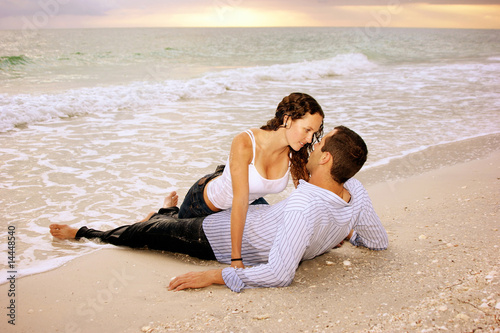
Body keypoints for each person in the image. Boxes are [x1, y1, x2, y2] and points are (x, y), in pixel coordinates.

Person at [50, 126, 388, 293]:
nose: (313, 145)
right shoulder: (353, 190)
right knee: (224, 175)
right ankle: (165, 213)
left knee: (140, 235)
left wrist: (214, 276)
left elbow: (279, 275)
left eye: (320, 142)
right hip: (257, 215)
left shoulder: (304, 205)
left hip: (214, 236)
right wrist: (344, 233)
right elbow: (377, 240)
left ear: (326, 159)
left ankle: (83, 231)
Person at [177, 92, 324, 269]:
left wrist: (335, 232)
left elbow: (307, 195)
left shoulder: (296, 151)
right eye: (307, 130)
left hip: (248, 199)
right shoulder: (246, 142)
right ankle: (164, 210)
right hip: (203, 203)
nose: (309, 139)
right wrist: (236, 259)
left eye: (314, 132)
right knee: (169, 226)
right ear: (287, 119)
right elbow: (239, 201)